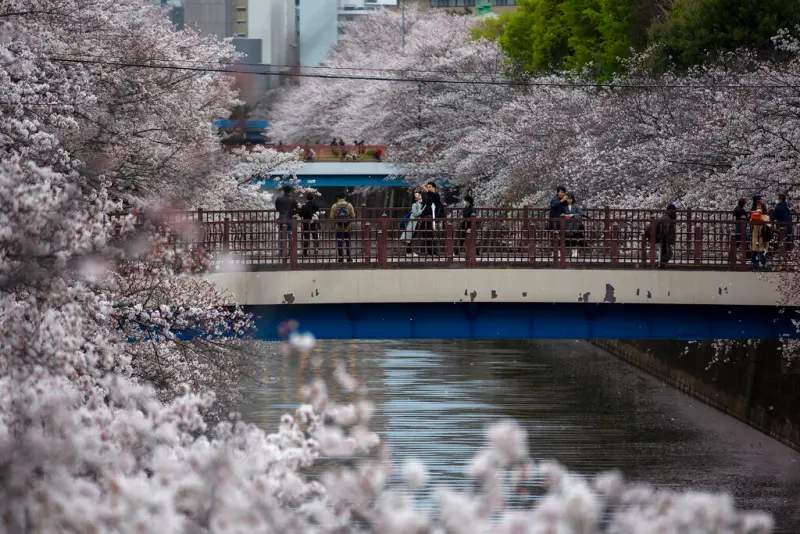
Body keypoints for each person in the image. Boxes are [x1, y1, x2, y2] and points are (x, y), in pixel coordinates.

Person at [419, 181, 444, 257]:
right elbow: (423, 205)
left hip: (432, 216)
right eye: (427, 187)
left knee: (431, 234)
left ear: (434, 188)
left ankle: (435, 252)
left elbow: (436, 200)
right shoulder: (426, 195)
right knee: (425, 235)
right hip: (425, 216)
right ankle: (429, 251)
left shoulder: (436, 195)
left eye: (430, 187)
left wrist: (427, 191)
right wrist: (420, 215)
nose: (428, 188)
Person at [330, 191, 356, 262]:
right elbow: (353, 216)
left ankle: (341, 257)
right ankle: (348, 257)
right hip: (347, 227)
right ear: (344, 197)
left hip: (339, 227)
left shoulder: (334, 206)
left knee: (340, 242)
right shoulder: (349, 205)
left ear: (338, 198)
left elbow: (332, 217)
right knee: (347, 242)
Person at [274, 186, 298, 259]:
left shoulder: (278, 198)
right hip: (290, 219)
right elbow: (297, 210)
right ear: (290, 191)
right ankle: (291, 253)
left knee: (282, 237)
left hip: (281, 219)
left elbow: (277, 208)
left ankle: (282, 254)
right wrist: (292, 212)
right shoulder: (293, 199)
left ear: (284, 191)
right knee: (291, 237)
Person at [750, 196, 771, 270]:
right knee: (754, 250)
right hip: (755, 234)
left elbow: (768, 225)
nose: (758, 210)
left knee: (761, 250)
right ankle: (755, 266)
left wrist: (761, 220)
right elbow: (750, 223)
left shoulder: (766, 216)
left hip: (762, 235)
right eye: (757, 208)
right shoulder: (754, 215)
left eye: (760, 208)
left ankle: (762, 265)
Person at [656, 203, 678, 268]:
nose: (675, 212)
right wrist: (669, 240)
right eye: (674, 210)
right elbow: (666, 230)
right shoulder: (667, 218)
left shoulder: (667, 217)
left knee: (666, 253)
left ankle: (661, 264)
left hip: (664, 239)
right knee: (669, 253)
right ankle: (661, 263)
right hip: (665, 239)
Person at [402, 191, 423, 256]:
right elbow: (415, 214)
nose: (418, 196)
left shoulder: (420, 204)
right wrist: (421, 211)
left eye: (419, 195)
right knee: (411, 237)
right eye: (416, 196)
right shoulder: (414, 204)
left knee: (413, 237)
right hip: (413, 223)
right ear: (415, 198)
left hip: (417, 223)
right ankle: (409, 252)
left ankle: (410, 252)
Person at [299, 192, 320, 257]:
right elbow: (317, 211)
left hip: (306, 223)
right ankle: (316, 252)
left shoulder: (304, 206)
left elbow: (300, 214)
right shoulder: (315, 205)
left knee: (306, 237)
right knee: (315, 237)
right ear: (313, 198)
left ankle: (305, 252)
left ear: (306, 198)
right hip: (314, 223)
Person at [562, 192, 582, 259]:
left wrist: (573, 215)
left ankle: (575, 252)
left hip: (574, 224)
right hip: (566, 224)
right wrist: (565, 216)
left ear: (573, 199)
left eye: (571, 199)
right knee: (566, 238)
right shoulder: (564, 206)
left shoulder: (576, 206)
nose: (569, 200)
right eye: (568, 199)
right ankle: (565, 253)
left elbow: (580, 214)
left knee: (574, 238)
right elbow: (561, 214)